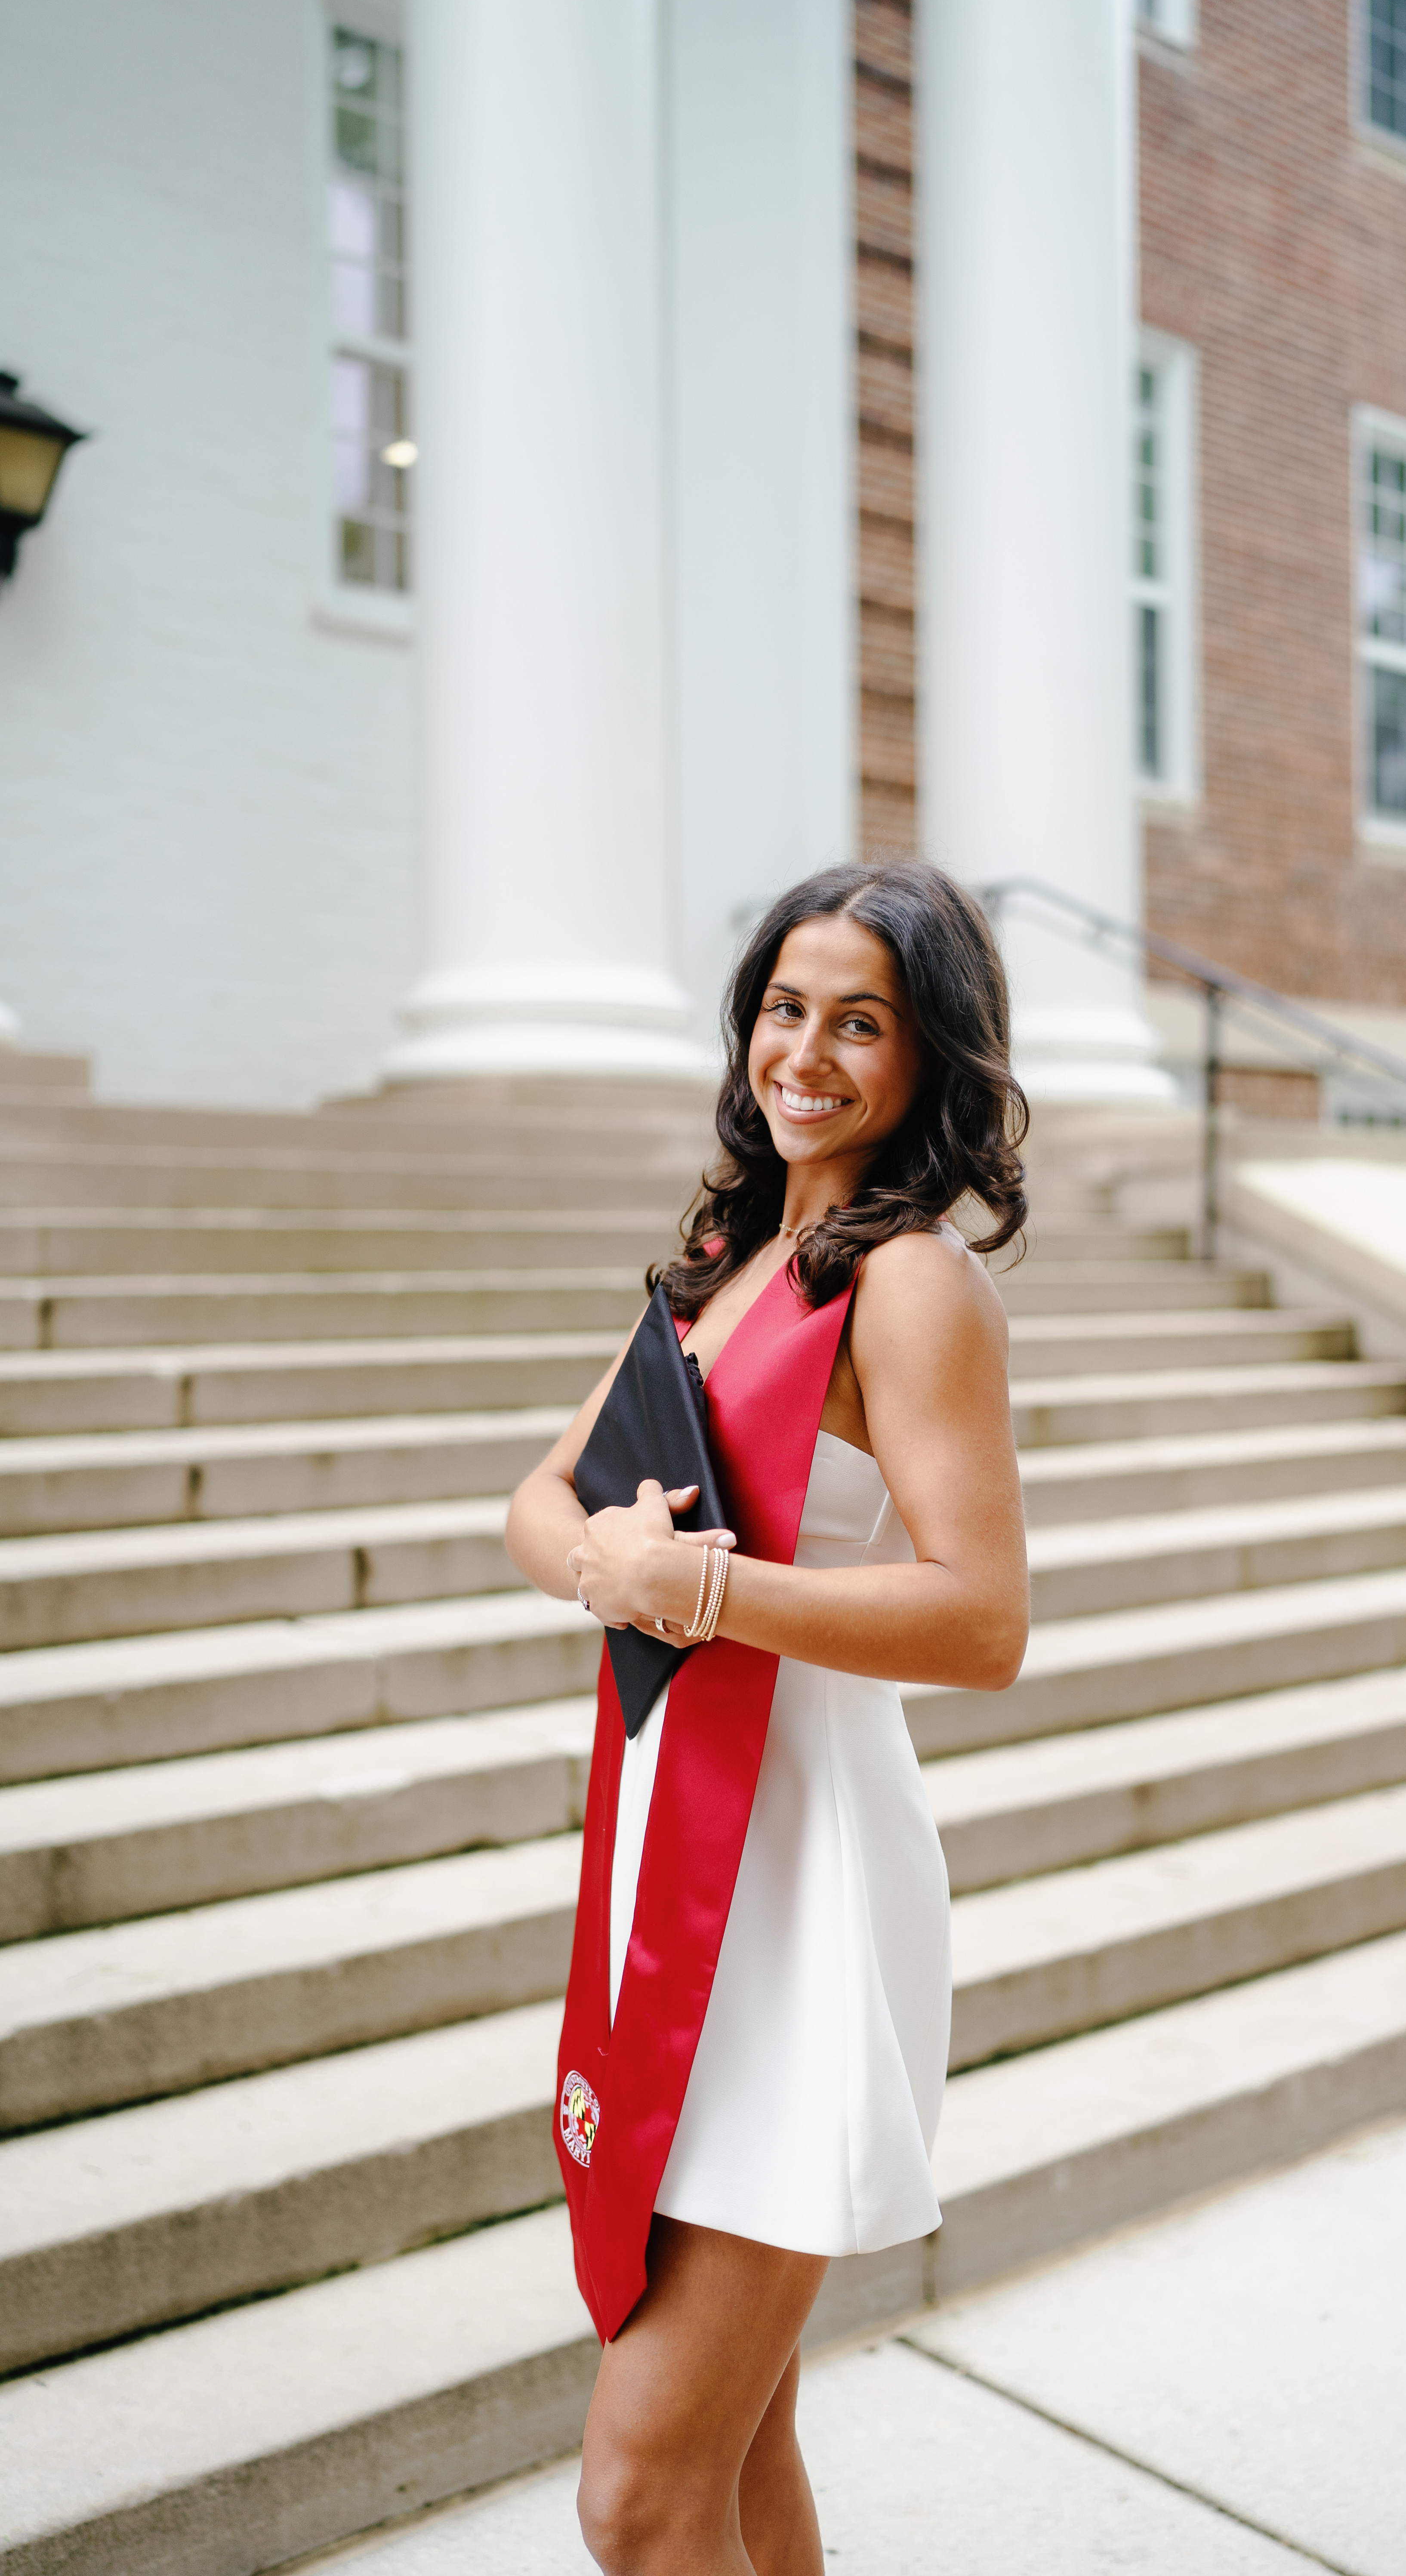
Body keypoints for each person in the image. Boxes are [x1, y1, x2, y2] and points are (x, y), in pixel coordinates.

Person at [505, 858, 1031, 2575]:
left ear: (930, 1056)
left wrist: (702, 1592)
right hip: (677, 1865)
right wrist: (609, 1557)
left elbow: (982, 1618)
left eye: (859, 1020)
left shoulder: (910, 1287)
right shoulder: (731, 1254)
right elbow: (539, 1499)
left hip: (796, 1895)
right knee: (739, 2458)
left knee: (640, 2492)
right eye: (785, 1008)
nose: (805, 1050)